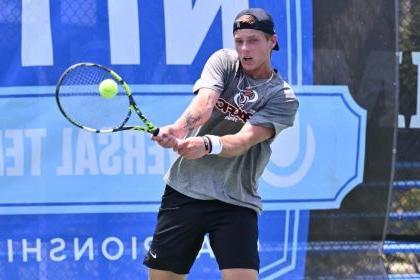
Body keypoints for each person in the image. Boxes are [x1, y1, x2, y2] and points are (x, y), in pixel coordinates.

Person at [143, 7, 299, 280]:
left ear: (272, 41)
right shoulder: (224, 62)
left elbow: (244, 140)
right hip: (185, 190)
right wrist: (178, 129)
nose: (245, 48)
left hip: (235, 199)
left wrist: (205, 144)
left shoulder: (282, 97)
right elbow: (204, 105)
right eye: (239, 41)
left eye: (253, 40)